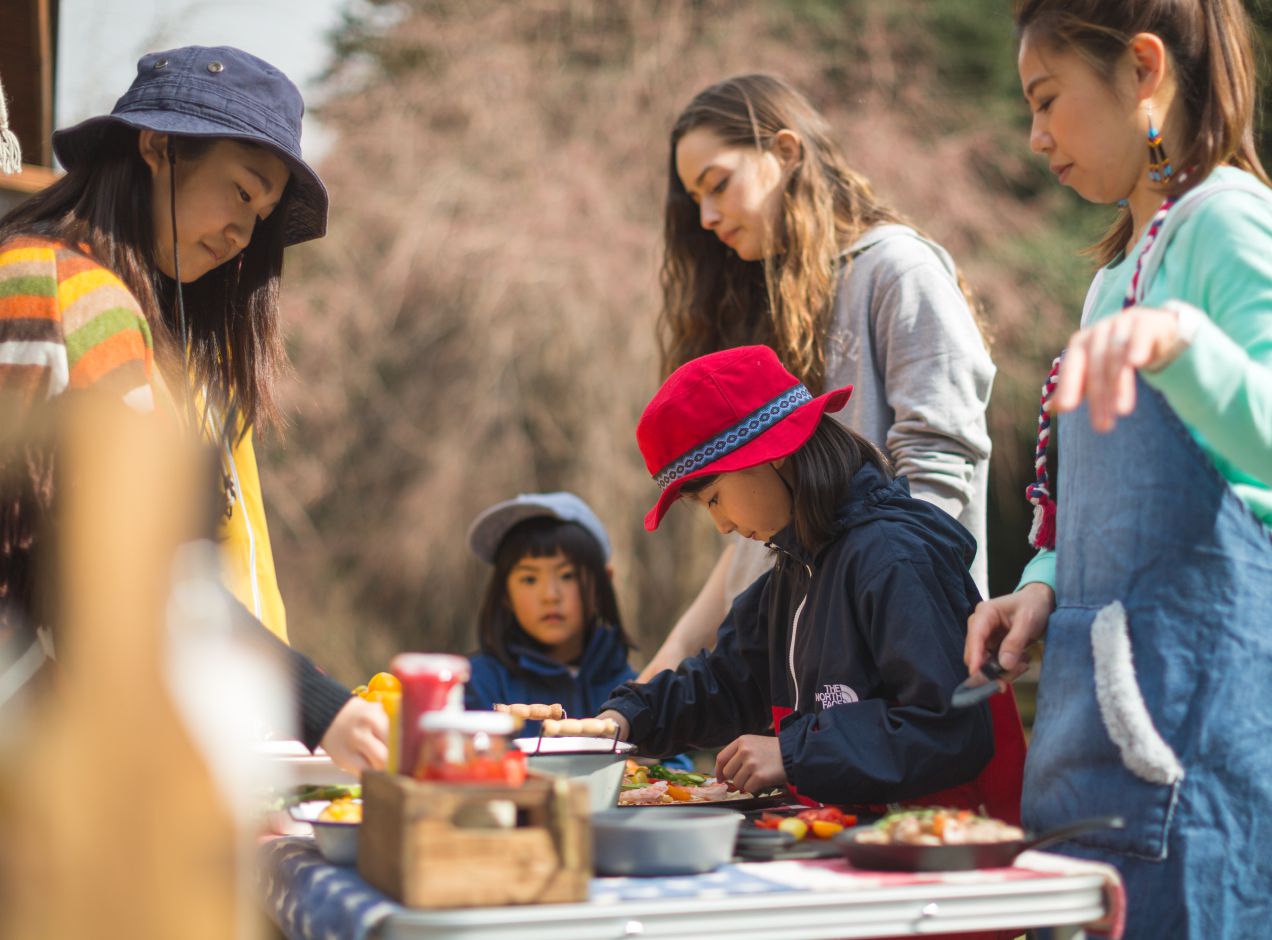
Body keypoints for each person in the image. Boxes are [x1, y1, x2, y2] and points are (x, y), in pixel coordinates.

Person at [963, 2, 1272, 936]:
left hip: (1202, 739)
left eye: (1049, 99)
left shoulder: (1228, 222)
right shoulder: (1110, 278)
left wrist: (1183, 344)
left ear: (1143, 71)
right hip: (1092, 743)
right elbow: (1103, 501)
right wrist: (1045, 583)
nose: (1036, 136)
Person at [0, 46, 386, 771]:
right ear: (158, 146)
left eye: (262, 215)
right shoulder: (75, 295)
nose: (245, 233)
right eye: (242, 192)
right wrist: (318, 704)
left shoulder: (50, 274)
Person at [638, 74, 995, 682]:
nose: (706, 216)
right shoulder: (770, 308)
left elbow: (938, 475)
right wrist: (656, 678)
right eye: (695, 197)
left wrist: (849, 626)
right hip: (792, 676)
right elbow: (748, 550)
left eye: (718, 184)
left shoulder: (898, 270)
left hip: (893, 683)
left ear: (785, 151)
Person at [599, 345, 1025, 816]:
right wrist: (625, 719)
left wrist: (793, 752)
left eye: (715, 498)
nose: (721, 526)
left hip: (946, 856)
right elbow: (726, 679)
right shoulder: (795, 572)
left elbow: (949, 728)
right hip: (855, 847)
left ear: (772, 455)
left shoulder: (892, 557)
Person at [463, 492, 692, 770]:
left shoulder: (633, 688)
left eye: (568, 575)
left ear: (601, 584)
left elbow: (679, 772)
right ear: (505, 595)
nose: (550, 595)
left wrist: (643, 761)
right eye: (529, 578)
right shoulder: (476, 683)